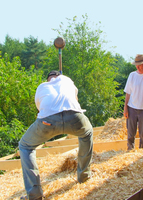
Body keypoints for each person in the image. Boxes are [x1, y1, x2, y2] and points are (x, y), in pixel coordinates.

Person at [19, 70, 93, 200]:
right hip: (74, 117)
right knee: (86, 134)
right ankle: (84, 176)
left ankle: (34, 194)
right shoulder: (67, 80)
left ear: (48, 79)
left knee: (25, 146)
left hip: (48, 121)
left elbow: (40, 109)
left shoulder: (42, 86)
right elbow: (76, 100)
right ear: (59, 76)